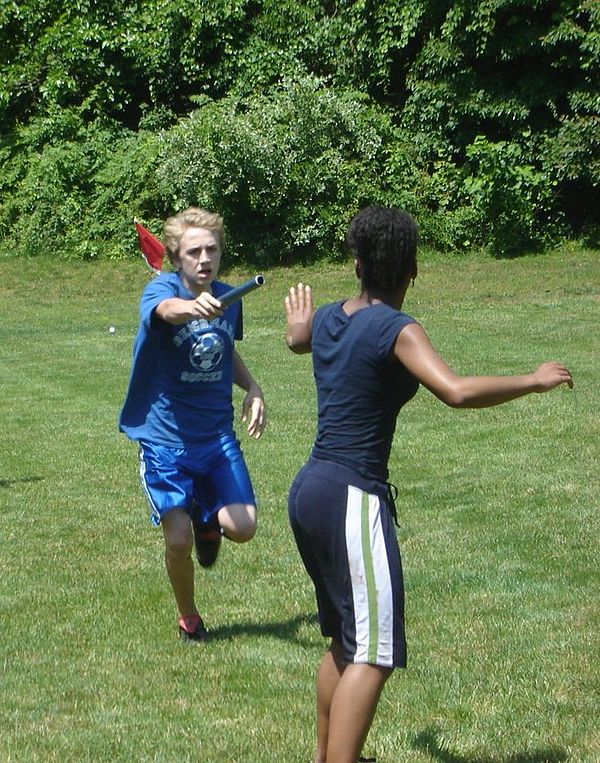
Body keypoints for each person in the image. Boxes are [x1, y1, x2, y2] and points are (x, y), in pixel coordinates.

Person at [284, 205, 573, 763]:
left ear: (358, 263)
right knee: (375, 653)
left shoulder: (329, 317)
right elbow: (457, 390)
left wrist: (298, 330)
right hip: (351, 495)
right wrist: (533, 380)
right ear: (412, 268)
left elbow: (300, 341)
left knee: (347, 641)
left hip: (311, 490)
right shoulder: (397, 328)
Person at [120, 207, 266, 642]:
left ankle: (208, 521)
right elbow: (166, 311)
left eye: (212, 250)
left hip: (216, 436)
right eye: (194, 252)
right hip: (165, 441)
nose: (204, 259)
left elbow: (223, 349)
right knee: (179, 539)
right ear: (177, 257)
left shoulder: (228, 297)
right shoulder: (159, 290)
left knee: (243, 527)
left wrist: (253, 388)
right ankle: (189, 617)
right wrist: (189, 306)